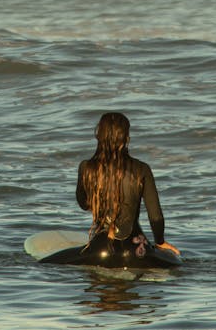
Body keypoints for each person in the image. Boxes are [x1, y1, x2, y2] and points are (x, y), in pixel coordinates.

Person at [40, 112, 181, 268]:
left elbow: (84, 204)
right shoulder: (142, 169)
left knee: (44, 264)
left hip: (100, 251)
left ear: (99, 135)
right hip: (137, 250)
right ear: (126, 138)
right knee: (178, 262)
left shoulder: (86, 168)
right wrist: (160, 243)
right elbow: (156, 217)